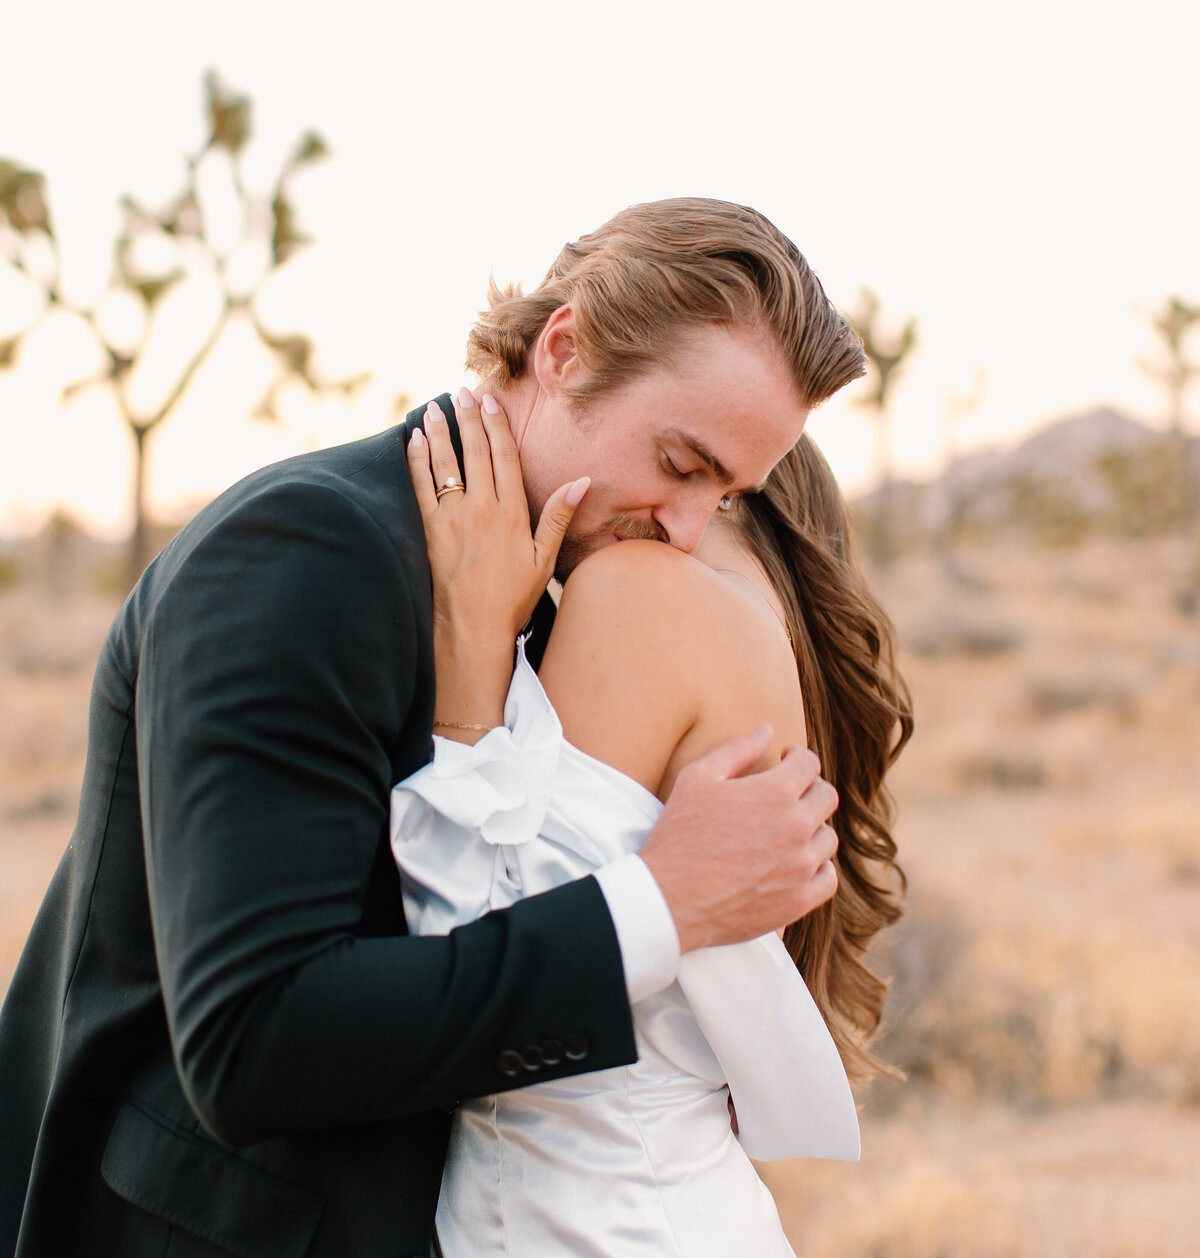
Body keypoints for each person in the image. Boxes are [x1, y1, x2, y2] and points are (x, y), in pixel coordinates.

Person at [0, 198, 865, 1258]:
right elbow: (252, 1038)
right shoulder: (303, 552)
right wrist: (659, 904)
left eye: (726, 494)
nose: (687, 527)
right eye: (682, 464)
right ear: (564, 347)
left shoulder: (565, 581)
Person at [392, 395, 912, 1255]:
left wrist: (472, 657)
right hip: (683, 1200)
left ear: (732, 492)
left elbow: (471, 962)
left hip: (575, 1218)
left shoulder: (643, 594)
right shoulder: (768, 644)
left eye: (685, 470)